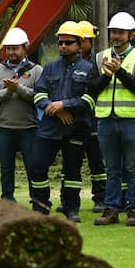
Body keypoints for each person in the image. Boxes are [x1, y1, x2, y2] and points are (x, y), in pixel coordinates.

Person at [27, 22, 97, 222]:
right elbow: (39, 94)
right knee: (37, 166)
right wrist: (57, 110)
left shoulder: (90, 69)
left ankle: (71, 208)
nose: (63, 46)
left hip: (76, 128)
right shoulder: (49, 67)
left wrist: (64, 105)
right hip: (50, 127)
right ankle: (40, 206)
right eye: (60, 43)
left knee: (72, 170)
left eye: (68, 42)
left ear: (80, 43)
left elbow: (90, 100)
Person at [88, 12, 135, 227]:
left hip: (132, 120)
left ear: (131, 35)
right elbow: (91, 87)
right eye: (114, 32)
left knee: (133, 167)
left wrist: (119, 71)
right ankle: (111, 208)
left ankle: (132, 208)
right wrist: (106, 75)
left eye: (121, 33)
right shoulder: (99, 56)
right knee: (112, 168)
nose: (116, 36)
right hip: (105, 118)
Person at [0, 26, 42, 203]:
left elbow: (39, 96)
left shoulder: (36, 70)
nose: (10, 52)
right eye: (8, 48)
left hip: (29, 127)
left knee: (33, 167)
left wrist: (18, 88)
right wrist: (6, 93)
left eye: (14, 48)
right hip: (4, 127)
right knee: (6, 169)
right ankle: (7, 199)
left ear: (25, 48)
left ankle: (37, 199)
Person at [75, 20, 107, 213]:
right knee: (73, 161)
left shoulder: (97, 61)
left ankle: (100, 198)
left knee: (97, 162)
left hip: (94, 118)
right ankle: (69, 198)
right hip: (75, 119)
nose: (80, 43)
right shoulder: (68, 63)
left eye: (83, 40)